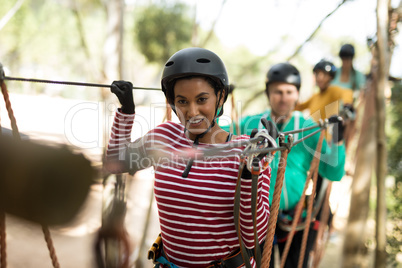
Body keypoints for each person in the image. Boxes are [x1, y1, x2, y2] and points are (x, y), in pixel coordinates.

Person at [105, 47, 272, 268]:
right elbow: (115, 162)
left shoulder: (245, 151)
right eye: (182, 101)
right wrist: (126, 111)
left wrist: (251, 173)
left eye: (202, 99)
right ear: (173, 102)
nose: (192, 112)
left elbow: (252, 238)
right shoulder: (164, 137)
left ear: (220, 96)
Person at [219, 62, 346, 267]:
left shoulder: (309, 128)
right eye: (277, 91)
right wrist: (216, 104)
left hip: (296, 219)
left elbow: (334, 172)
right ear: (268, 94)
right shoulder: (249, 123)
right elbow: (218, 136)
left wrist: (338, 140)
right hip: (256, 218)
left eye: (289, 91)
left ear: (297, 95)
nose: (283, 97)